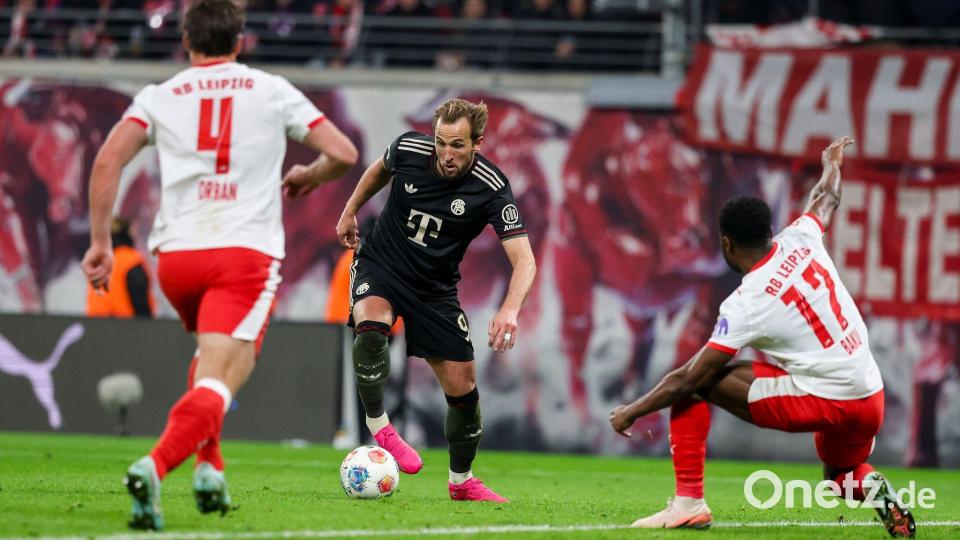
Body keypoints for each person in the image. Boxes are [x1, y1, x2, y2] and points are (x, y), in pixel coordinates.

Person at [80, 0, 358, 530]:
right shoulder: (269, 89)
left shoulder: (160, 96)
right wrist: (311, 176)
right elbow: (342, 151)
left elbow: (108, 160)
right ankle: (154, 465)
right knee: (226, 377)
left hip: (177, 259)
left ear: (187, 40)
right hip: (242, 254)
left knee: (211, 363)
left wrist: (99, 242)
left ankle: (210, 469)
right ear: (240, 40)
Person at [609, 137, 916, 538]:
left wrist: (632, 410)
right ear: (771, 230)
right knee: (841, 475)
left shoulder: (747, 302)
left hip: (826, 398)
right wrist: (832, 165)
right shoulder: (802, 237)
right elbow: (827, 197)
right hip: (869, 395)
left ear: (726, 243)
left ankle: (688, 504)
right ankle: (880, 493)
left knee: (697, 384)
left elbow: (688, 378)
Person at [336, 98, 537, 502]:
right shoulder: (410, 149)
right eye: (441, 142)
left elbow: (525, 259)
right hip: (382, 266)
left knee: (464, 391)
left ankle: (461, 482)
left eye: (457, 145)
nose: (446, 154)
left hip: (435, 289)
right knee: (372, 328)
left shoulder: (491, 186)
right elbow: (379, 169)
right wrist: (350, 211)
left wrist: (510, 309)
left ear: (477, 143)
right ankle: (381, 426)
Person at [86, 217, 155, 318]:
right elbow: (140, 299)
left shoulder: (98, 262)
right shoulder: (130, 260)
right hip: (124, 327)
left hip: (96, 326)